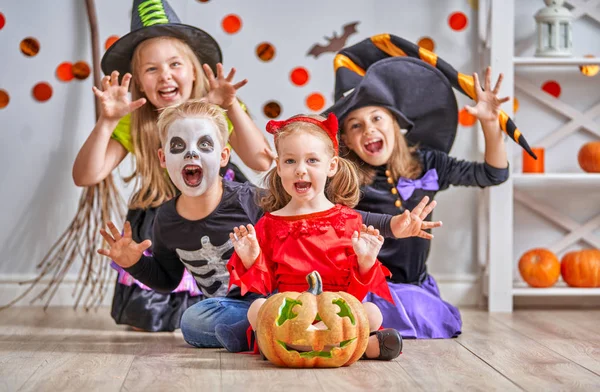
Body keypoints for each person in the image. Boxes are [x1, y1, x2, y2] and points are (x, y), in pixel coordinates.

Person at [97, 99, 440, 350]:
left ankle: (273, 339)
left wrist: (396, 224)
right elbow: (168, 278)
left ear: (222, 156)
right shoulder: (166, 219)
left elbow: (339, 219)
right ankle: (295, 337)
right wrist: (134, 264)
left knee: (365, 312)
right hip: (238, 305)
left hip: (281, 297)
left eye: (203, 145)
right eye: (178, 147)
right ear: (163, 158)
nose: (191, 155)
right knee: (194, 320)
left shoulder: (251, 200)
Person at [73, 0, 273, 332]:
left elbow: (262, 161)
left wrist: (232, 106)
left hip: (219, 212)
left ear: (194, 69)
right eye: (151, 69)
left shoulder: (218, 110)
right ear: (138, 80)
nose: (164, 75)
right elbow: (85, 175)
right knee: (149, 319)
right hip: (161, 219)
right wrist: (108, 121)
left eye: (175, 64)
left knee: (239, 295)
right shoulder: (134, 120)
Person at [324, 34, 517, 339]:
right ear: (345, 140)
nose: (369, 129)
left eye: (377, 118)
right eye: (356, 125)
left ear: (395, 123)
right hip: (361, 285)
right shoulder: (339, 178)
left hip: (414, 286)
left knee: (428, 312)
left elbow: (494, 174)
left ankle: (375, 326)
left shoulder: (428, 163)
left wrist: (491, 124)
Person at [222, 113, 429, 360]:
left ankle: (280, 345)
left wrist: (365, 262)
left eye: (312, 160)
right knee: (256, 308)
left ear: (331, 166)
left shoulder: (348, 221)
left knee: (373, 312)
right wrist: (251, 259)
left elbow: (356, 295)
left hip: (337, 313)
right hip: (292, 313)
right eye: (290, 161)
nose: (300, 170)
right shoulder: (269, 223)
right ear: (278, 166)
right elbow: (263, 287)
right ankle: (362, 348)